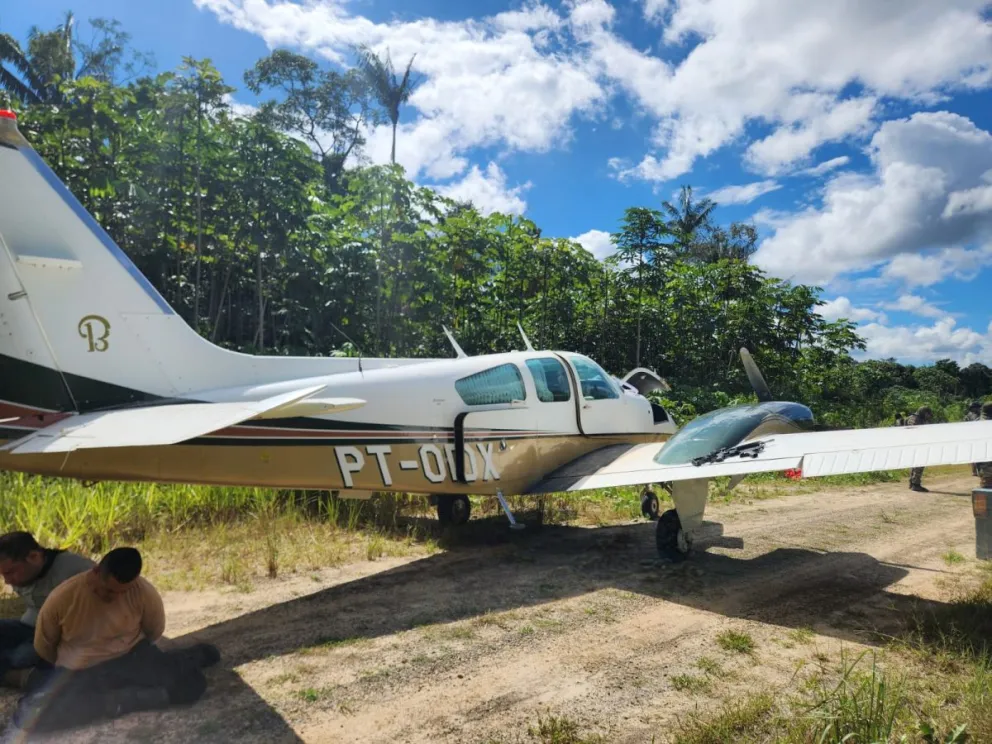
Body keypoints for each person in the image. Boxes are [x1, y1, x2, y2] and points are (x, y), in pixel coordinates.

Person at [10, 547, 219, 734]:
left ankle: (178, 663)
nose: (113, 597)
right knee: (30, 714)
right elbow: (44, 646)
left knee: (194, 683)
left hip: (131, 659)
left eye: (122, 592)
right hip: (81, 670)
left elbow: (154, 630)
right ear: (96, 572)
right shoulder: (62, 598)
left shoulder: (143, 591)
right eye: (108, 590)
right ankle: (122, 699)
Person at [0, 532, 94, 688]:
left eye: (10, 572)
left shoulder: (76, 572)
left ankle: (26, 677)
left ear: (34, 557)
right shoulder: (25, 573)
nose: (8, 581)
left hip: (62, 639)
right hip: (31, 627)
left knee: (21, 657)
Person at [900, 405, 933, 492]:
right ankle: (916, 484)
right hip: (916, 445)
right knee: (919, 464)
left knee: (915, 464)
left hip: (913, 445)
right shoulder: (915, 419)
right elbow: (913, 432)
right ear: (924, 413)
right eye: (928, 414)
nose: (928, 416)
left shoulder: (912, 418)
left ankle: (912, 483)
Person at [966, 401, 983, 476]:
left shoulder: (981, 415)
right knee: (975, 455)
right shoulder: (971, 416)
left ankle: (977, 471)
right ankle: (975, 471)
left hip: (977, 437)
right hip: (974, 437)